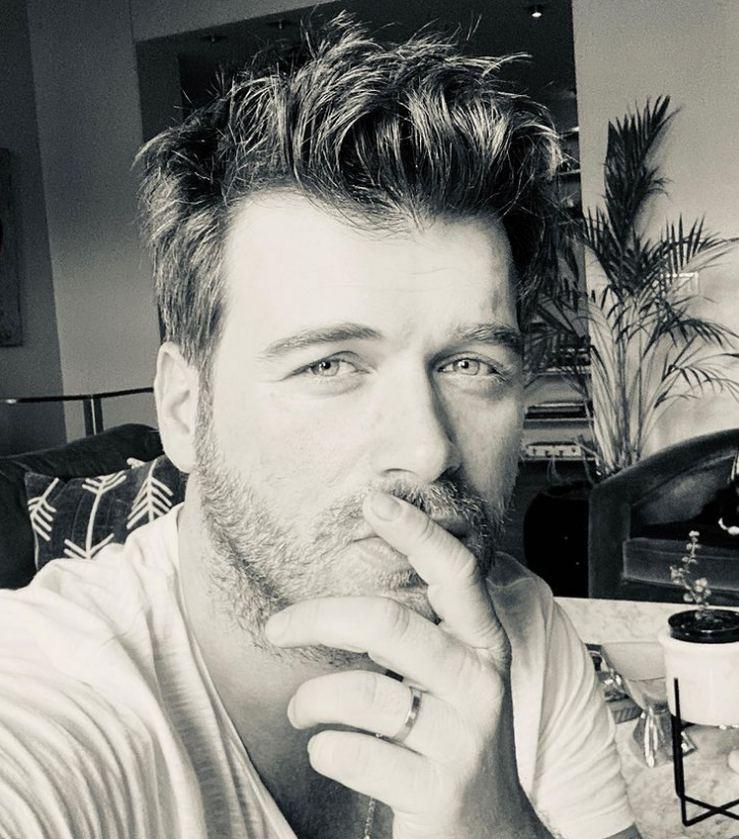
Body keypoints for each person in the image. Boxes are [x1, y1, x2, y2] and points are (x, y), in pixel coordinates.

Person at [0, 16, 640, 839]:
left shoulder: (520, 627)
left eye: (470, 363)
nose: (428, 450)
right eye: (329, 364)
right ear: (185, 409)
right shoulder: (46, 700)